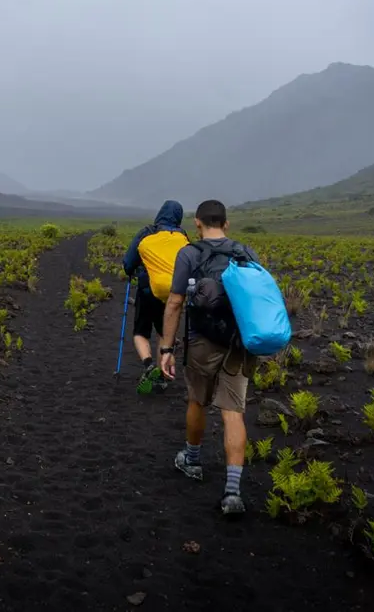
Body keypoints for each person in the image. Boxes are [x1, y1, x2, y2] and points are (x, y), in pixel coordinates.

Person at [157, 199, 261, 516]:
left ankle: (192, 460)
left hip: (202, 341)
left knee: (197, 401)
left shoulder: (189, 253)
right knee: (233, 411)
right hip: (239, 341)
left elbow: (174, 302)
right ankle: (232, 492)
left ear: (198, 223)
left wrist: (166, 348)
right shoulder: (245, 252)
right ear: (226, 224)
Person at [122, 200, 189, 394]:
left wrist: (131, 270)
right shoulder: (182, 236)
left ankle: (149, 364)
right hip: (172, 293)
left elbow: (128, 262)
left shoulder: (147, 232)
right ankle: (163, 374)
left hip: (146, 289)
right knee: (165, 333)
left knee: (141, 331)